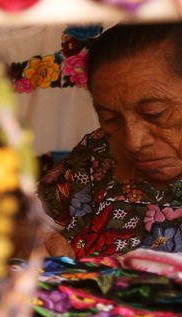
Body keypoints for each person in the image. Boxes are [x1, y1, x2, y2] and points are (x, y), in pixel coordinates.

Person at [40, 23, 182, 257]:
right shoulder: (100, 149)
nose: (133, 142)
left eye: (155, 113)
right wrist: (40, 241)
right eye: (111, 118)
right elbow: (23, 223)